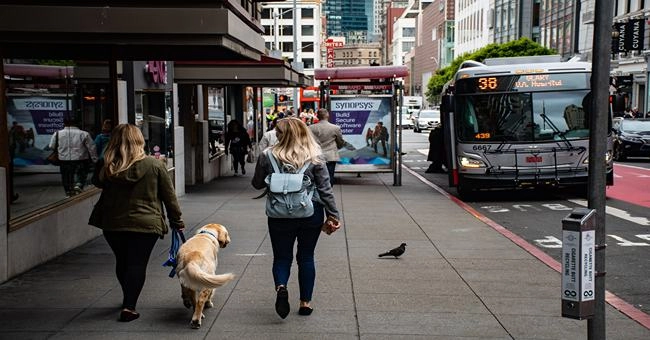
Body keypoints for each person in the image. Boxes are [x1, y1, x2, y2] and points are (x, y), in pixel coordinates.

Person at [89, 123, 184, 322]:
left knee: (122, 261)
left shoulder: (107, 165)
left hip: (113, 223)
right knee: (137, 263)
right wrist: (177, 220)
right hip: (145, 224)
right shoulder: (154, 164)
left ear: (114, 141)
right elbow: (169, 197)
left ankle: (127, 296)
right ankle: (129, 306)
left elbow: (96, 183)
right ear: (140, 140)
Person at [251, 117, 341, 319]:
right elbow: (326, 190)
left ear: (282, 135)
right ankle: (305, 303)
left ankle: (281, 287)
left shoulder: (267, 155)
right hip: (311, 212)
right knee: (306, 256)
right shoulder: (315, 157)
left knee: (282, 257)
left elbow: (256, 184)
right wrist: (333, 215)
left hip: (279, 214)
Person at [49, 118, 98, 196]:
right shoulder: (84, 134)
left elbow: (51, 146)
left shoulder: (57, 133)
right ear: (77, 123)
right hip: (81, 159)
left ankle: (68, 192)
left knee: (66, 176)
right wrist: (94, 159)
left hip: (64, 159)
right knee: (81, 172)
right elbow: (92, 147)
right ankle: (79, 184)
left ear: (64, 123)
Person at [309, 108, 345, 186]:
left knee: (316, 177)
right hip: (330, 156)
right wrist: (338, 147)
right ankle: (328, 193)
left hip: (316, 156)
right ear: (327, 115)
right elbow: (340, 142)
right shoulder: (335, 128)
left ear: (317, 116)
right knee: (329, 176)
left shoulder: (311, 128)